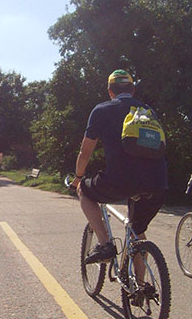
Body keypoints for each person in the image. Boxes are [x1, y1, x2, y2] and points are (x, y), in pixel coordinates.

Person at [70, 69, 168, 285]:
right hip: (158, 182)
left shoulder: (102, 110)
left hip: (120, 179)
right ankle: (140, 286)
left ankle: (105, 244)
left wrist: (78, 177)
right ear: (132, 90)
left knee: (84, 190)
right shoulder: (148, 111)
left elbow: (85, 152)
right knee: (137, 232)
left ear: (110, 91)